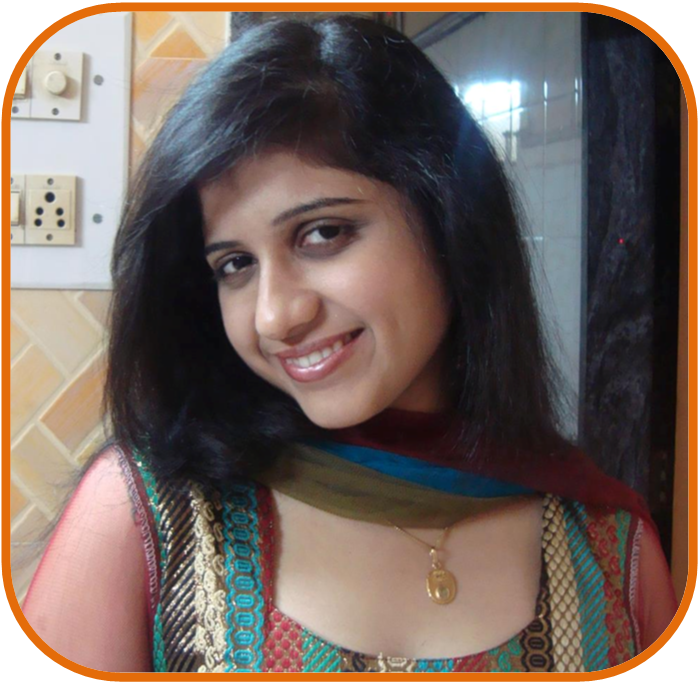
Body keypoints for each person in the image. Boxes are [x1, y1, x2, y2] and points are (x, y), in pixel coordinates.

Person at [20, 14, 678, 673]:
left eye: (322, 233)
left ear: (451, 220)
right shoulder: (149, 520)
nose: (275, 317)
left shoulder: (608, 547)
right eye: (235, 265)